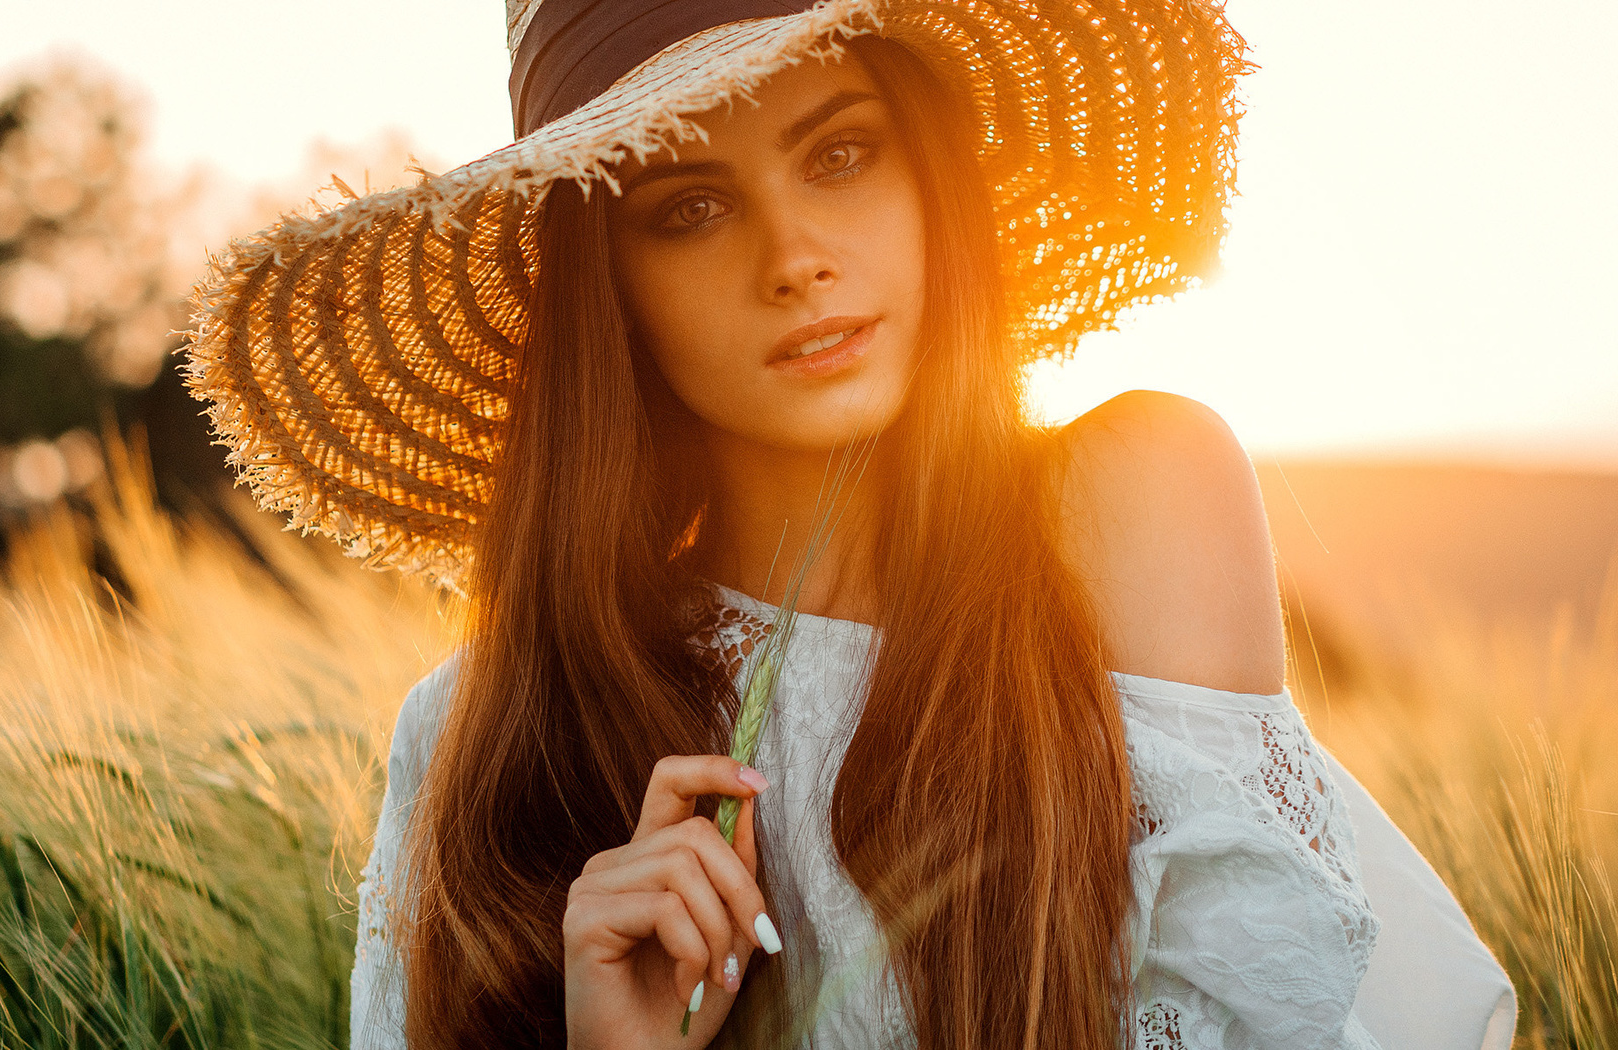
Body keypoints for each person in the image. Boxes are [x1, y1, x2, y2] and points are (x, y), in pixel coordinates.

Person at [183, 1, 1516, 1048]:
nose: (794, 255)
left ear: (933, 173)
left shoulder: (1135, 496)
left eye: (842, 152)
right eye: (689, 208)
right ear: (609, 289)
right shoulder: (478, 736)